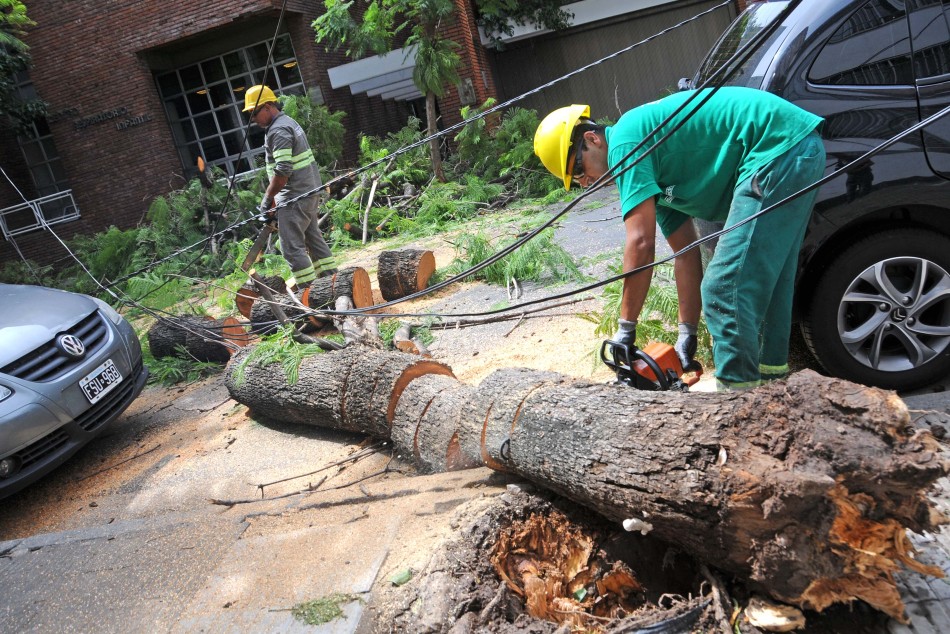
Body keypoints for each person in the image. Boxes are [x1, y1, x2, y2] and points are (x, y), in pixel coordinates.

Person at [534, 87, 825, 390]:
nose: (586, 181)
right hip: (795, 149)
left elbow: (641, 243)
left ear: (591, 139)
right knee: (767, 288)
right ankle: (771, 392)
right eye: (577, 182)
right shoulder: (650, 172)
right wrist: (687, 334)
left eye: (579, 169)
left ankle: (738, 409)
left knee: (724, 291)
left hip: (777, 147)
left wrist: (625, 329)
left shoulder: (624, 142)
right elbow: (685, 252)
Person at [244, 85, 336, 288]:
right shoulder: (288, 123)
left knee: (291, 248)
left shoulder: (278, 130)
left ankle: (311, 295)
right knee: (314, 240)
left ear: (268, 106)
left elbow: (283, 170)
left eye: (254, 112)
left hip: (295, 197)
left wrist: (268, 199)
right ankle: (333, 284)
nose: (253, 119)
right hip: (306, 192)